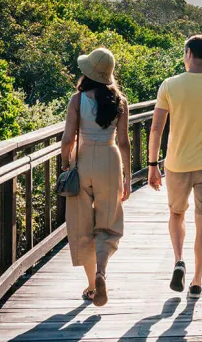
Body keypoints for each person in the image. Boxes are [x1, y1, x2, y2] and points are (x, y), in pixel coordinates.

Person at [147, 34, 202, 299]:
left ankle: (178, 261)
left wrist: (153, 165)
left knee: (176, 214)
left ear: (188, 53)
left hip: (177, 164)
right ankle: (197, 281)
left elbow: (156, 128)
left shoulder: (170, 85)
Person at [62, 47, 131, 307]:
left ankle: (92, 286)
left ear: (88, 73)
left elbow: (68, 138)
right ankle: (102, 271)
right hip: (110, 161)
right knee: (108, 223)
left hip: (82, 162)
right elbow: (123, 142)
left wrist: (66, 165)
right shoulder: (120, 102)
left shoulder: (77, 100)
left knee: (82, 225)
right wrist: (126, 178)